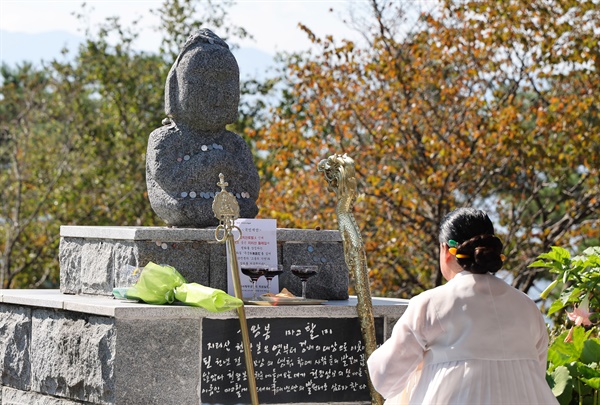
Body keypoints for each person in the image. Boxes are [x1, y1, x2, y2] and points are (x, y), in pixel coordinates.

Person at [367, 208, 558, 404]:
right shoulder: (527, 307)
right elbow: (536, 374)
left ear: (445, 250)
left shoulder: (431, 304)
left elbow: (385, 378)